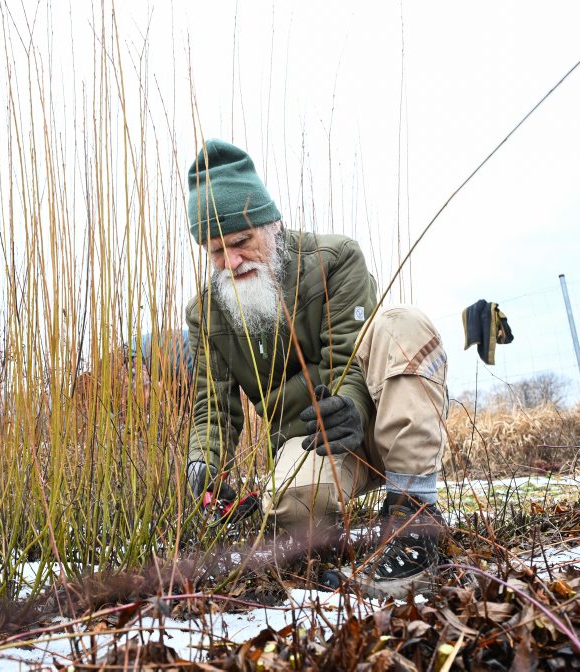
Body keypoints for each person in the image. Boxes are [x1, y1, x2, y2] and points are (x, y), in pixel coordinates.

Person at [184, 139, 449, 599]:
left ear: (272, 224)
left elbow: (347, 355)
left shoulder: (334, 259)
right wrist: (202, 465)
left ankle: (414, 521)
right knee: (294, 506)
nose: (231, 261)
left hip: (369, 416)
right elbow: (213, 409)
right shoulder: (206, 313)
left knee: (400, 323)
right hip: (309, 441)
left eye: (241, 241)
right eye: (215, 252)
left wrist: (348, 405)